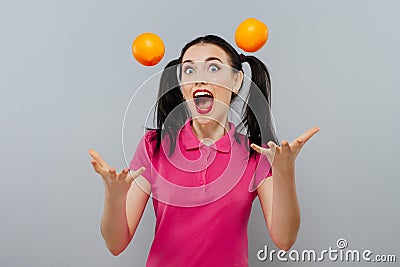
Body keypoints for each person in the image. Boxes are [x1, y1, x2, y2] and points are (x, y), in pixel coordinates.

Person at [88, 35, 320, 266]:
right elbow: (115, 245)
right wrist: (114, 196)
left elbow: (285, 240)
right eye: (189, 71)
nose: (200, 79)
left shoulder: (255, 153)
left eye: (213, 68)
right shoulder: (154, 146)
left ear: (236, 81)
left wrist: (285, 172)